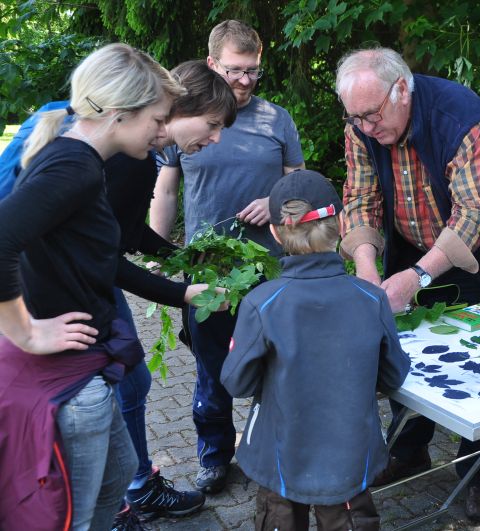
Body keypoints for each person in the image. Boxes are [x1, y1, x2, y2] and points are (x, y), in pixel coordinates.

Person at [0, 61, 238, 529]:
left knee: (112, 490)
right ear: (120, 113)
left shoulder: (86, 161)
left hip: (89, 362)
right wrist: (24, 333)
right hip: (68, 378)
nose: (160, 131)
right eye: (157, 118)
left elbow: (105, 246)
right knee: (76, 517)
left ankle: (136, 496)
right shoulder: (77, 165)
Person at [335, 47, 480, 523]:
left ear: (402, 89)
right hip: (410, 250)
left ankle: (479, 475)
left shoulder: (459, 118)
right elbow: (360, 199)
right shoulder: (363, 125)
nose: (365, 127)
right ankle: (409, 451)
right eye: (355, 117)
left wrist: (419, 275)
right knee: (413, 352)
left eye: (372, 114)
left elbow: (474, 213)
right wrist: (367, 269)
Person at [150, 19, 305, 495]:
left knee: (278, 363)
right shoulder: (188, 114)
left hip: (271, 268)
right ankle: (215, 457)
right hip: (207, 268)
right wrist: (156, 255)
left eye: (253, 71)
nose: (244, 80)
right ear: (212, 63)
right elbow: (167, 188)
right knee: (212, 368)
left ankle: (276, 449)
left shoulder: (276, 119)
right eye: (236, 70)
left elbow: (299, 184)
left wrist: (276, 202)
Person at [220, 169, 410, 531]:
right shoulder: (372, 298)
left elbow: (237, 382)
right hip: (350, 458)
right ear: (340, 223)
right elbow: (394, 375)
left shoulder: (262, 302)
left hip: (279, 456)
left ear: (275, 231)